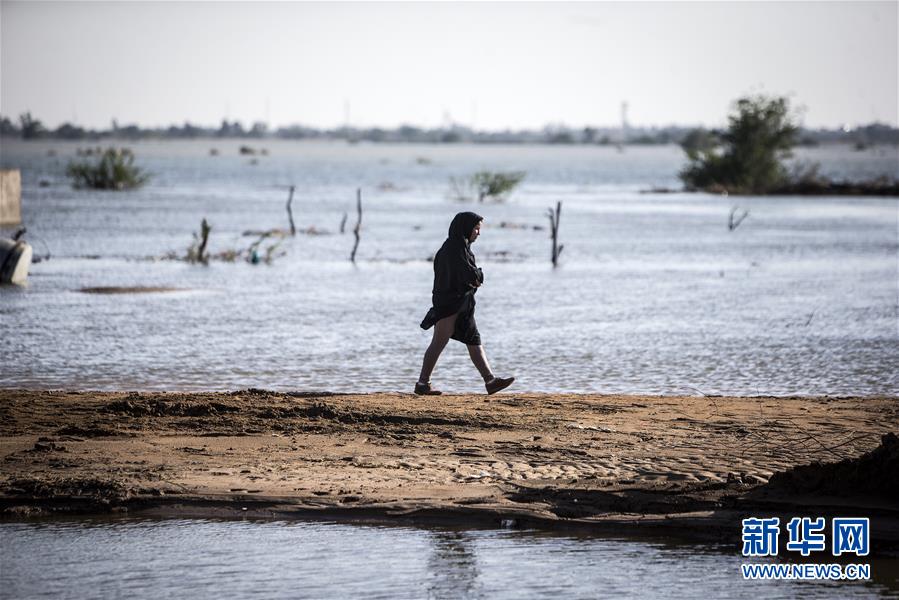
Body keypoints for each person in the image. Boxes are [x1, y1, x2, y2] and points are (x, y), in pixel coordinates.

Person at [416, 211, 514, 395]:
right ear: (466, 228)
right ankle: (422, 384)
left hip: (462, 304)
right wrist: (478, 276)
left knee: (474, 340)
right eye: (476, 229)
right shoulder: (454, 249)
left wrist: (476, 277)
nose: (478, 233)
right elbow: (469, 275)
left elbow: (470, 275)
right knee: (438, 342)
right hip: (450, 304)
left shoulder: (461, 248)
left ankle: (490, 381)